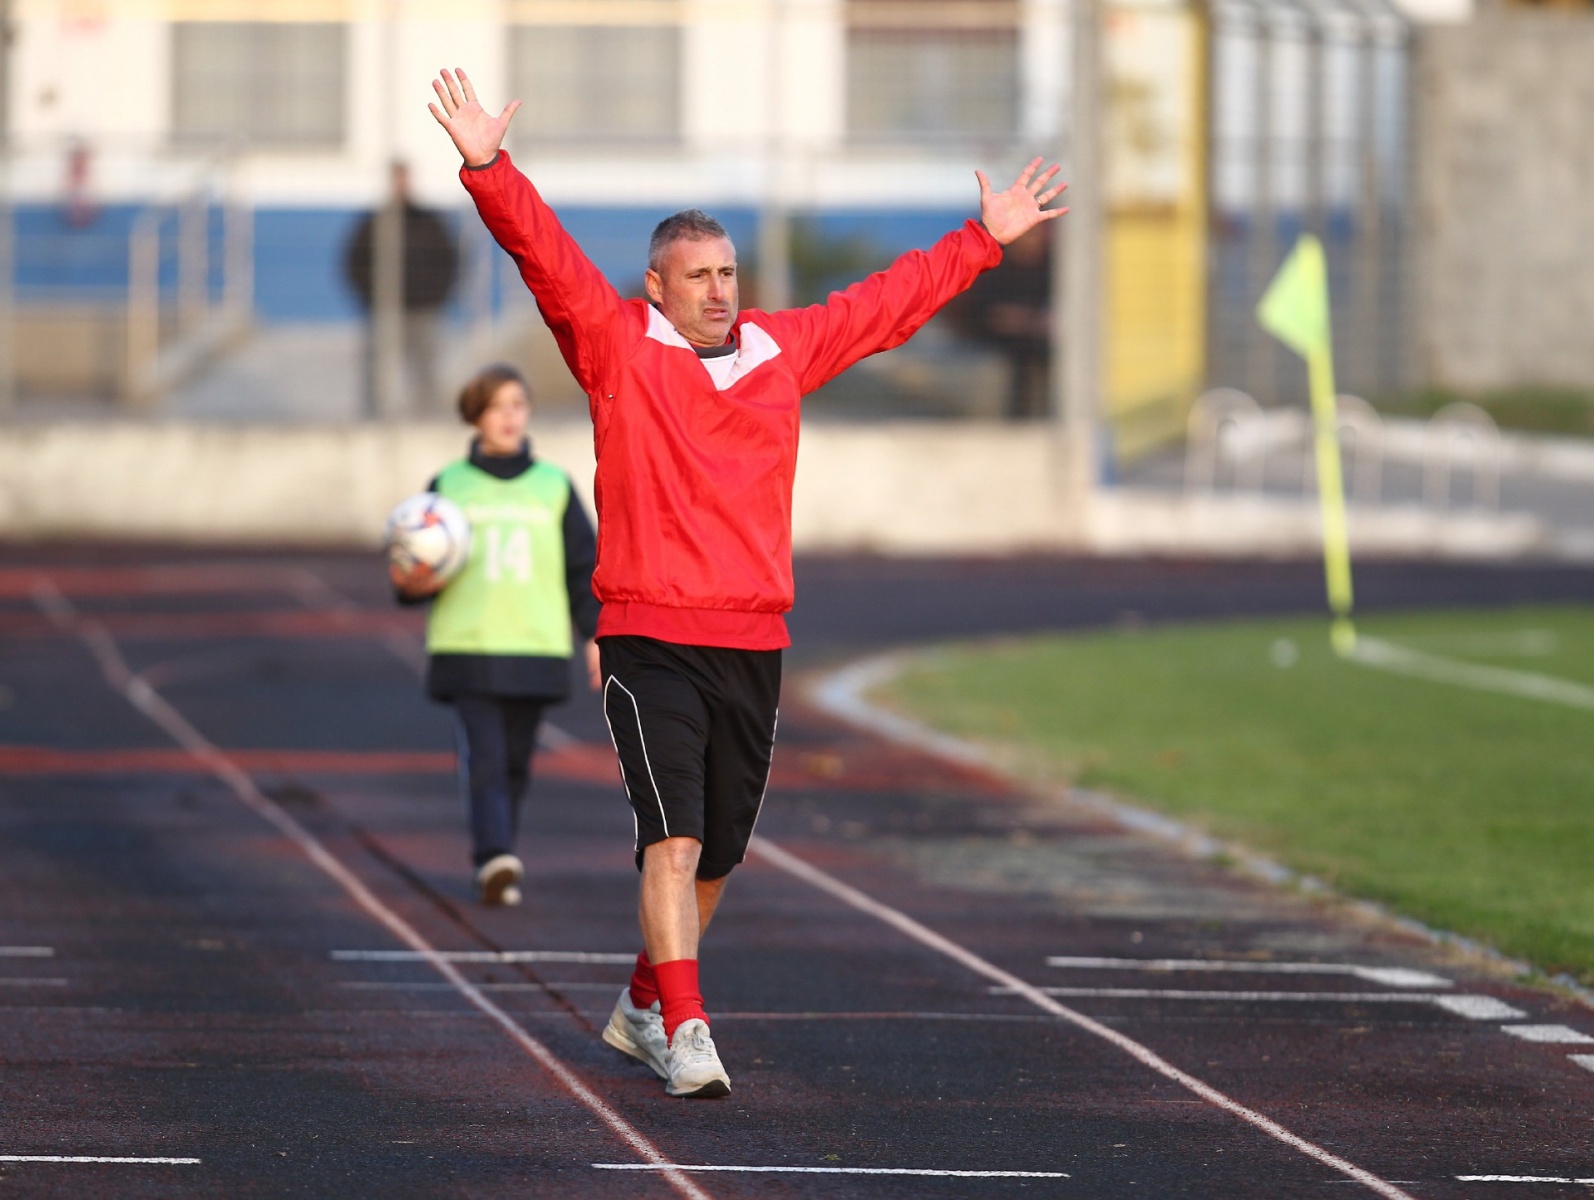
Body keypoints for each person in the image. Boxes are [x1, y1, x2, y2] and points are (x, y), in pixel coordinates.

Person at [428, 66, 1067, 1099]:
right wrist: (487, 166)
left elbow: (884, 307)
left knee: (717, 854)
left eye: (728, 272)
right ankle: (684, 1027)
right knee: (670, 839)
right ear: (657, 288)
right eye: (699, 276)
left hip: (753, 641)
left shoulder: (778, 349)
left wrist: (982, 239)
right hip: (649, 637)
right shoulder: (615, 349)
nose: (721, 289)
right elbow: (541, 257)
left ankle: (643, 1000)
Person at [391, 362, 601, 907]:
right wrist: (409, 583)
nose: (509, 417)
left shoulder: (554, 485)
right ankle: (494, 857)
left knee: (514, 762)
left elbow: (584, 568)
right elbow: (419, 571)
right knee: (484, 756)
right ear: (476, 416)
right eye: (497, 406)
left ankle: (497, 850)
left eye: (518, 404)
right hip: (469, 646)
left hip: (536, 646)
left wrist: (597, 635)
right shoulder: (448, 487)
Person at [344, 161, 460, 418]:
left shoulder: (428, 222)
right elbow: (354, 262)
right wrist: (372, 297)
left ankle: (427, 418)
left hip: (423, 309)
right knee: (377, 368)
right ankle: (374, 418)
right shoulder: (376, 222)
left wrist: (436, 296)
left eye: (404, 178)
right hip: (385, 309)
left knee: (426, 369)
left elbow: (450, 260)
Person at [952, 222, 1054, 419]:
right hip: (1000, 351)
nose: (1034, 240)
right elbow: (982, 314)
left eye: (1038, 233)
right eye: (1029, 233)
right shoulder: (996, 268)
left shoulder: (1055, 270)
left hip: (1040, 352)